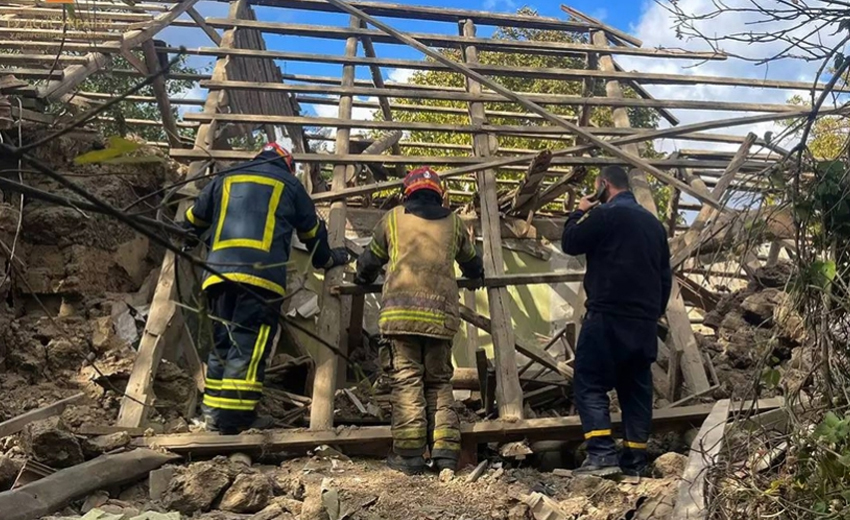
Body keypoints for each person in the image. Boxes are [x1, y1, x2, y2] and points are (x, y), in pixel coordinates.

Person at [184, 143, 349, 435]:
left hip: (217, 278)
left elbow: (194, 220)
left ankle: (213, 418)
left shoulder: (226, 177)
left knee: (222, 344)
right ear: (289, 164)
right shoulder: (289, 184)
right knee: (249, 346)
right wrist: (330, 259)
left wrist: (190, 240)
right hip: (260, 281)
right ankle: (236, 421)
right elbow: (312, 233)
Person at [354, 166, 485, 475]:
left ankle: (409, 455)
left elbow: (370, 261)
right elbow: (472, 263)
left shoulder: (393, 219)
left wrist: (361, 277)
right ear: (439, 193)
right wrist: (476, 275)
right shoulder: (454, 223)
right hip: (440, 319)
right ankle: (445, 455)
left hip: (400, 318)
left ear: (407, 192)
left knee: (407, 382)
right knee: (439, 382)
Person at [561, 165, 672, 478]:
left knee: (589, 382)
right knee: (635, 389)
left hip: (607, 315)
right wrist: (651, 313)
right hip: (643, 322)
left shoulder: (605, 215)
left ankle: (601, 456)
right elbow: (665, 277)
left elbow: (570, 242)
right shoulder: (654, 226)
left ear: (603, 185)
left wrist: (578, 211)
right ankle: (635, 461)